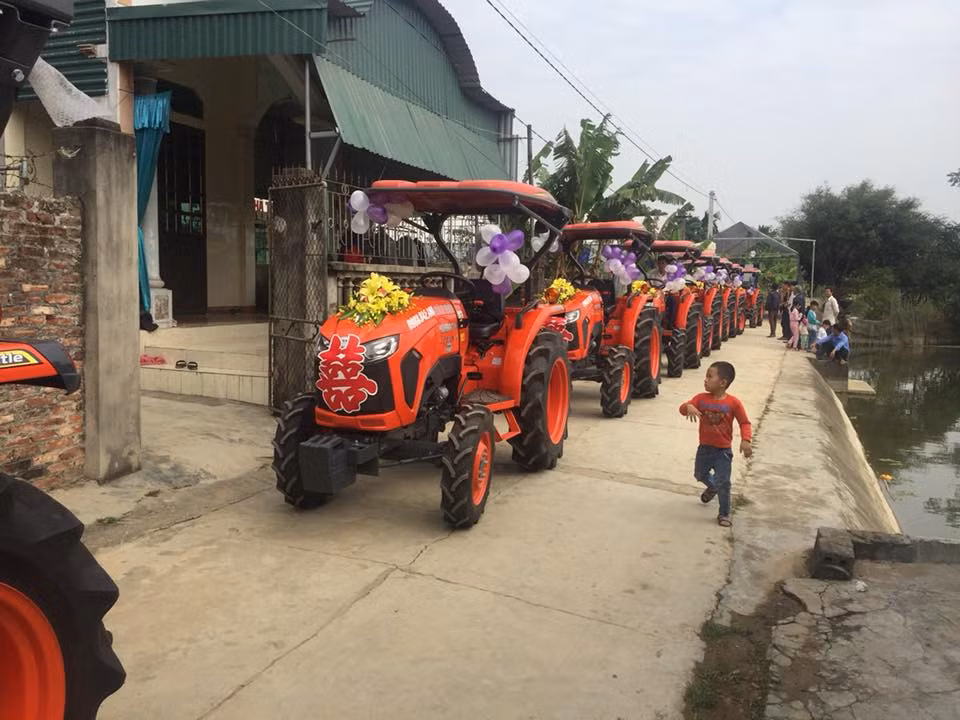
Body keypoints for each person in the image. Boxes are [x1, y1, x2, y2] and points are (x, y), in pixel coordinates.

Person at [679, 361, 753, 528]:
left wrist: (745, 440)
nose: (705, 380)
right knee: (699, 474)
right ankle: (712, 488)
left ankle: (724, 513)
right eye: (706, 376)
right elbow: (682, 409)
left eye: (709, 376)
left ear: (723, 382)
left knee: (724, 482)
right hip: (704, 449)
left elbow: (744, 423)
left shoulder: (734, 403)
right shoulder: (700, 399)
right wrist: (688, 406)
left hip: (723, 452)